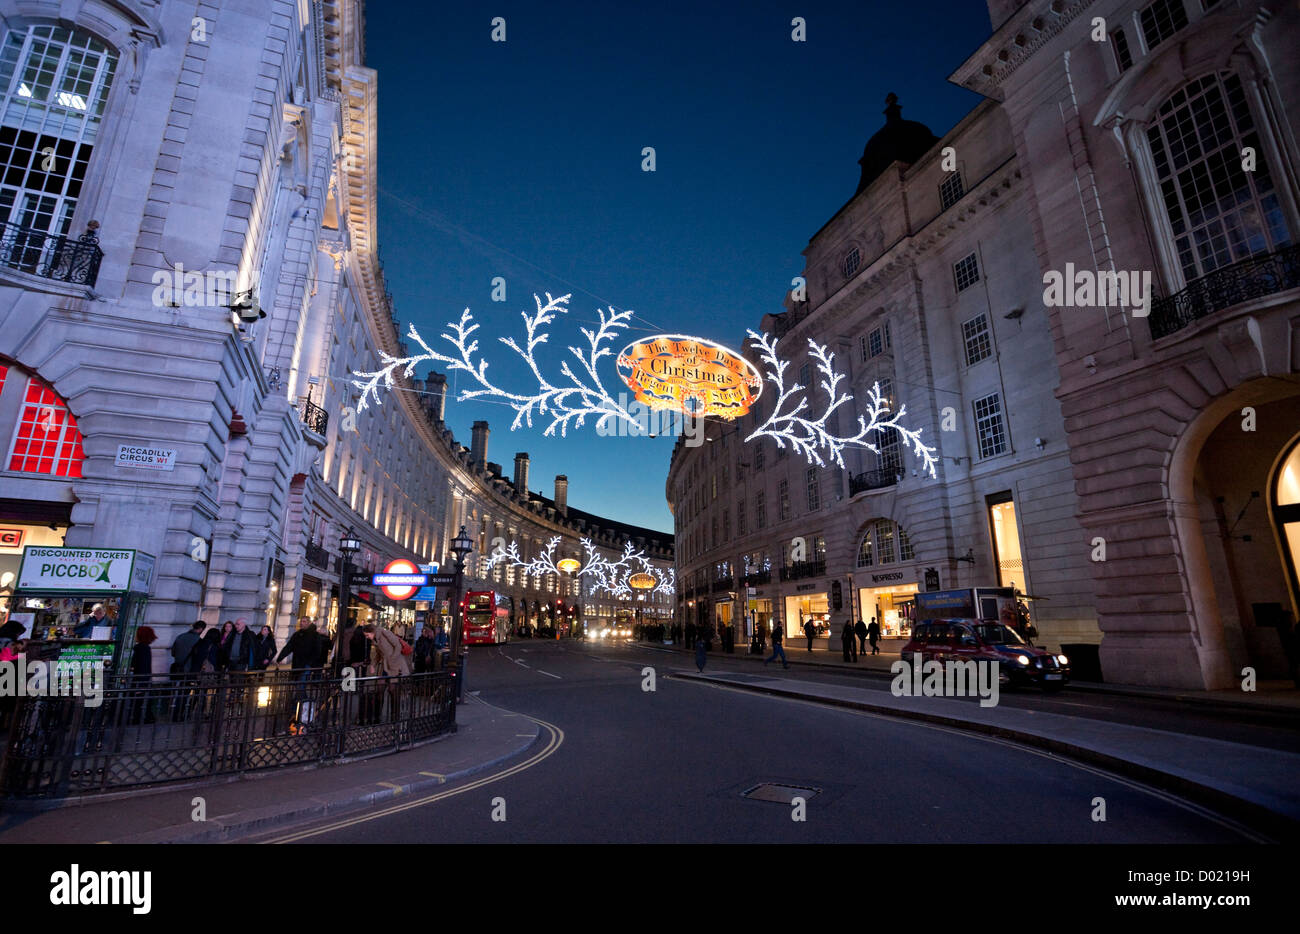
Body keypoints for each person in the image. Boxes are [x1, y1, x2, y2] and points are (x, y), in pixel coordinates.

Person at [130, 626, 158, 723]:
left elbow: (142, 666)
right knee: (141, 702)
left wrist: (140, 684)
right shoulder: (144, 648)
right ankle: (145, 717)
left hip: (140, 680)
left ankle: (140, 719)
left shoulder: (141, 648)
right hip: (143, 680)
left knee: (138, 703)